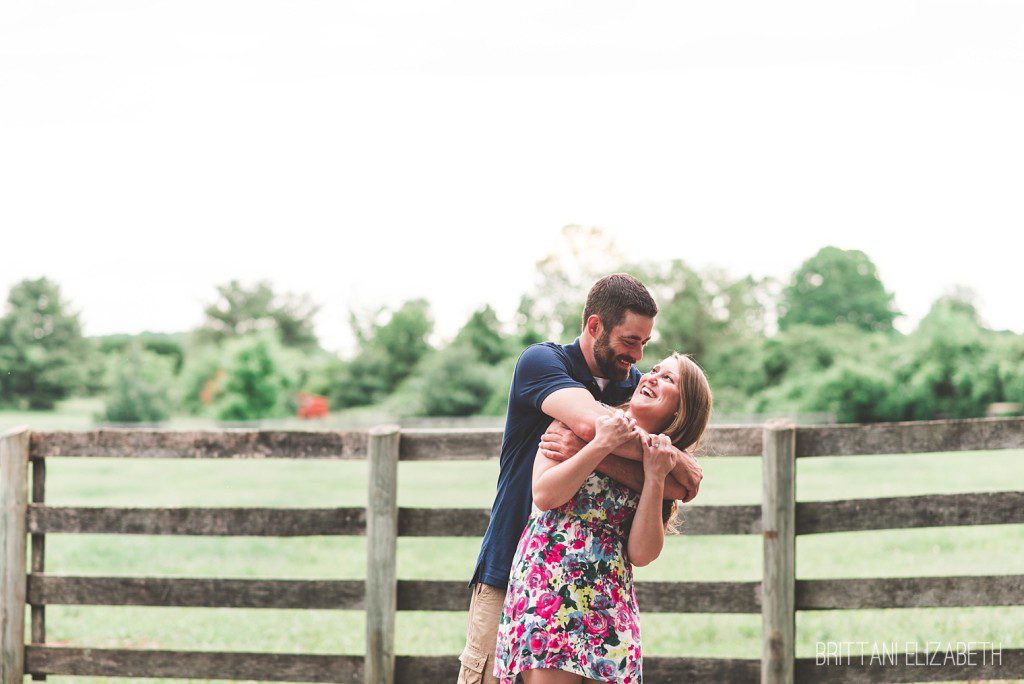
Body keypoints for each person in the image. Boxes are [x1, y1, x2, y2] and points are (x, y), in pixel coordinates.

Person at [458, 274, 703, 684]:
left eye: (644, 342)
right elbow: (591, 424)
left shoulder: (633, 387)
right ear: (594, 327)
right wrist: (672, 463)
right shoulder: (543, 362)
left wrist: (665, 467)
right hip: (513, 561)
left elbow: (674, 482)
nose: (638, 355)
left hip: (597, 586)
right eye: (629, 340)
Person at [493, 353, 713, 683]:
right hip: (550, 582)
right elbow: (544, 494)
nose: (650, 377)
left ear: (681, 410)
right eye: (653, 370)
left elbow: (641, 553)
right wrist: (599, 445)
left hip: (610, 598)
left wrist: (654, 476)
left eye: (668, 379)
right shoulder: (581, 417)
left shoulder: (662, 464)